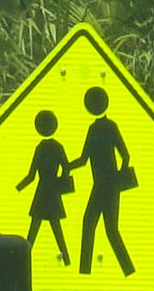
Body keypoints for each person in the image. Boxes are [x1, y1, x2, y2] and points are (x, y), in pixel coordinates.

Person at [75, 85, 137, 278]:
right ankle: (124, 270)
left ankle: (89, 271)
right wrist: (67, 167)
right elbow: (86, 159)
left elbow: (125, 154)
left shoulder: (102, 128)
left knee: (99, 226)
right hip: (104, 185)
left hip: (106, 186)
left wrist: (117, 179)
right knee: (102, 227)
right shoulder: (98, 128)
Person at [17, 112, 74, 266]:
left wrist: (18, 188)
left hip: (43, 191)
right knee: (54, 228)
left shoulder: (41, 148)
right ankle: (67, 260)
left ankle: (23, 260)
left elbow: (31, 175)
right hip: (52, 191)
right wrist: (59, 182)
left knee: (35, 229)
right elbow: (66, 168)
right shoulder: (57, 147)